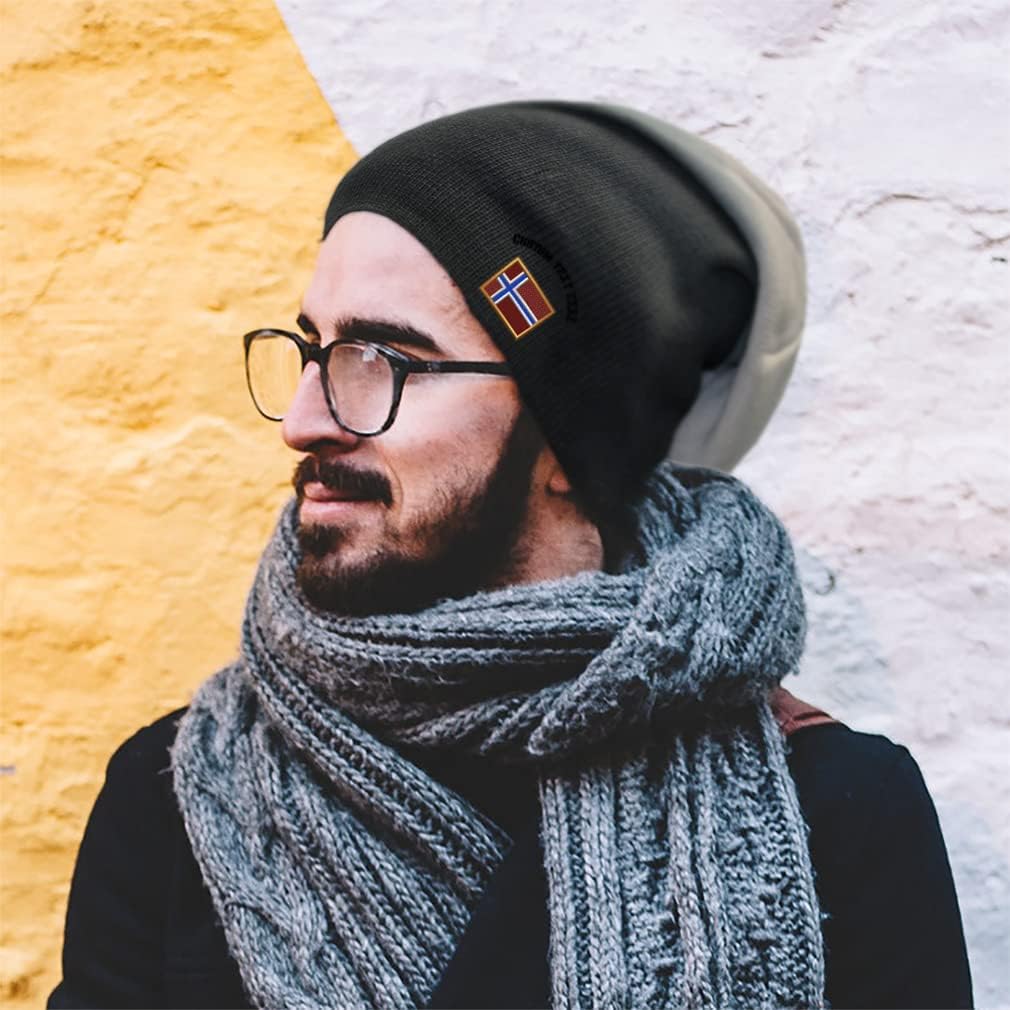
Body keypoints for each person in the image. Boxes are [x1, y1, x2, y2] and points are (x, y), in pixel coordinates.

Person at [48, 100, 973, 1010]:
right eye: (312, 350)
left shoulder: (835, 811)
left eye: (381, 360)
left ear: (574, 439)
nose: (301, 420)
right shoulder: (178, 799)